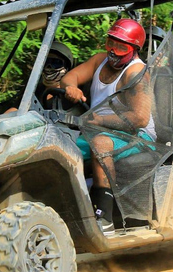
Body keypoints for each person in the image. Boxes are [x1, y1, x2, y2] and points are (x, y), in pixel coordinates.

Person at [60, 18, 156, 235]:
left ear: (134, 50)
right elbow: (70, 76)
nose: (114, 51)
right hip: (96, 128)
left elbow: (140, 118)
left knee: (100, 143)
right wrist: (71, 87)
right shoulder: (100, 61)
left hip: (138, 136)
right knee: (58, 144)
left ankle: (105, 217)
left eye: (122, 47)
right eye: (111, 43)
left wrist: (101, 121)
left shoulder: (136, 73)